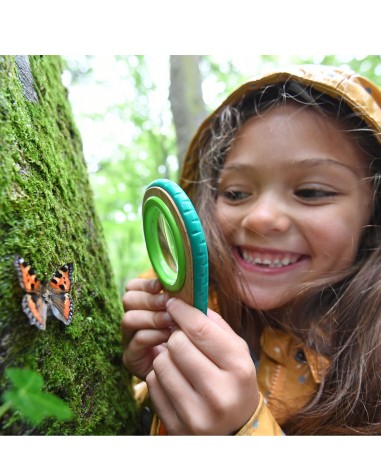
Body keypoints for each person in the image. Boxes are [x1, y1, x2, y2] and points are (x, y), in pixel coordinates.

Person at [122, 64, 381, 435]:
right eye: (236, 193)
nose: (260, 218)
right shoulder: (173, 300)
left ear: (374, 213)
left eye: (311, 192)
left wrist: (243, 432)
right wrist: (144, 384)